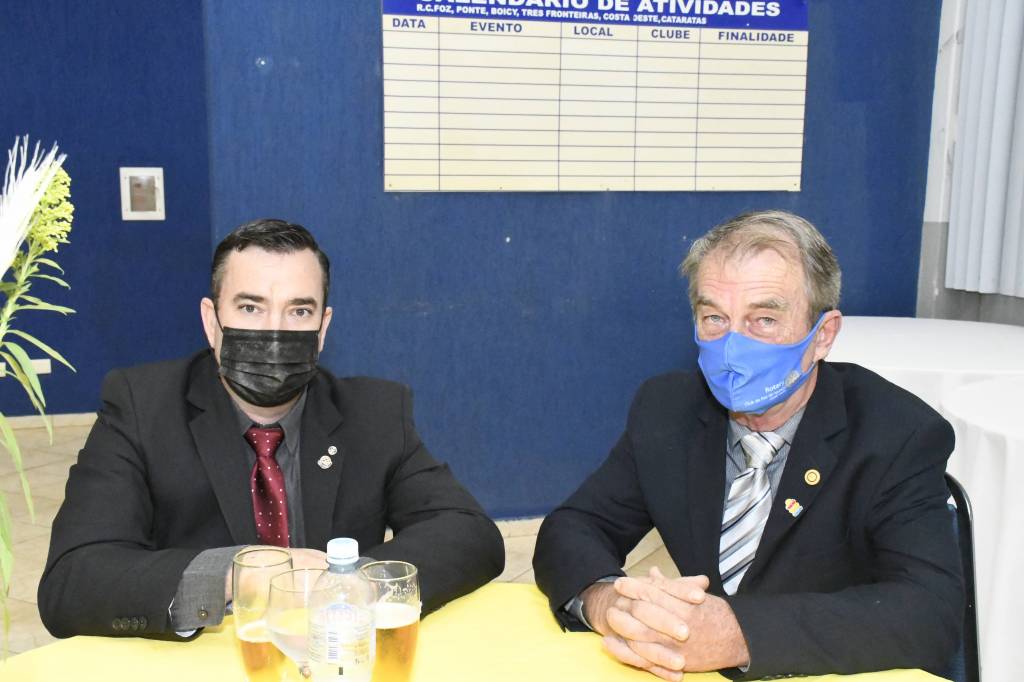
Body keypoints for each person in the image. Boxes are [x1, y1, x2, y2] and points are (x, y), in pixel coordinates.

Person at [533, 210, 964, 680]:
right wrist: (608, 600)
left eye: (763, 320)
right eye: (715, 318)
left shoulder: (897, 434)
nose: (733, 347)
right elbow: (575, 526)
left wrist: (739, 633)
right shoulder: (668, 410)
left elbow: (930, 611)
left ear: (823, 335)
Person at [39, 219, 504, 638]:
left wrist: (347, 582)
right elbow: (72, 579)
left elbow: (470, 534)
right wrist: (236, 575)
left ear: (322, 328)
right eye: (250, 307)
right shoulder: (142, 406)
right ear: (211, 321)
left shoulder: (375, 412)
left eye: (298, 312)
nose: (274, 332)